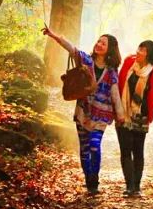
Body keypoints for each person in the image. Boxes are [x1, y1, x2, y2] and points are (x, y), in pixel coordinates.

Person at [42, 25, 122, 193]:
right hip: (83, 112)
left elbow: (115, 94)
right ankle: (89, 181)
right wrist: (53, 35)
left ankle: (94, 179)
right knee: (85, 149)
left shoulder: (112, 72)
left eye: (103, 43)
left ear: (110, 50)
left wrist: (120, 114)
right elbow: (71, 48)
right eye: (98, 41)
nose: (99, 44)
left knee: (95, 145)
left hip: (101, 115)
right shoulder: (86, 60)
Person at [116, 39, 153, 198]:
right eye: (139, 48)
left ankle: (137, 187)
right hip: (124, 114)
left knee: (138, 152)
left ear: (150, 55)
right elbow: (118, 85)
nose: (139, 51)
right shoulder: (128, 63)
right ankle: (129, 187)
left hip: (142, 116)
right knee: (125, 150)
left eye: (143, 50)